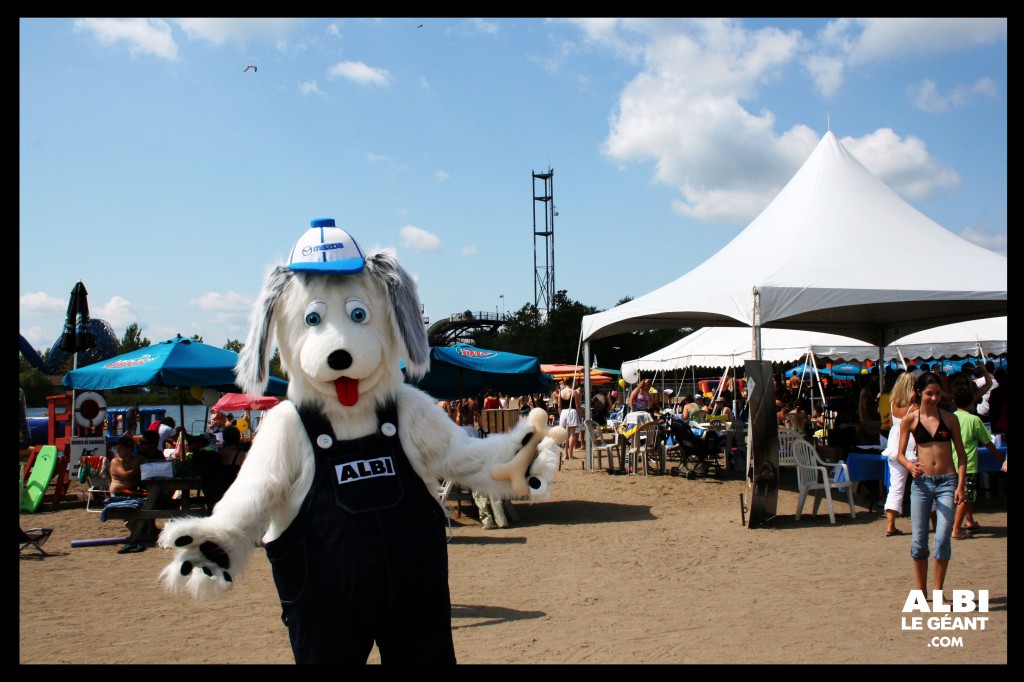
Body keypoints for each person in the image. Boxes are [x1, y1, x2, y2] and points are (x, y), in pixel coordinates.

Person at [895, 372, 968, 603]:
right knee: (918, 539)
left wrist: (960, 486)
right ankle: (920, 591)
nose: (934, 398)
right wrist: (909, 465)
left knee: (943, 537)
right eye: (929, 394)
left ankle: (938, 591)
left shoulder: (950, 419)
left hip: (947, 481)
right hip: (922, 483)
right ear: (919, 392)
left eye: (937, 393)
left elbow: (962, 456)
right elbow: (899, 453)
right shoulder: (911, 420)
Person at [950, 378, 1003, 540]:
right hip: (968, 464)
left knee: (968, 495)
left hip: (951, 463)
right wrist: (999, 457)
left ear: (953, 401)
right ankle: (956, 529)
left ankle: (969, 520)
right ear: (972, 401)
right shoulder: (974, 420)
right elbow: (988, 442)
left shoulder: (950, 417)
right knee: (965, 496)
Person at [881, 372, 919, 537]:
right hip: (910, 444)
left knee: (896, 486)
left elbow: (890, 423)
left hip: (894, 444)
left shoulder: (892, 403)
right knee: (923, 484)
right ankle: (933, 521)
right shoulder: (915, 405)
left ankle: (891, 524)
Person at [558, 386, 580, 461]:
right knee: (572, 434)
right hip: (572, 411)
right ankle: (570, 455)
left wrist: (561, 415)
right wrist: (579, 415)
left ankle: (565, 454)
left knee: (565, 434)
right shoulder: (574, 392)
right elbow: (577, 405)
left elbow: (559, 406)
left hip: (563, 412)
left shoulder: (561, 392)